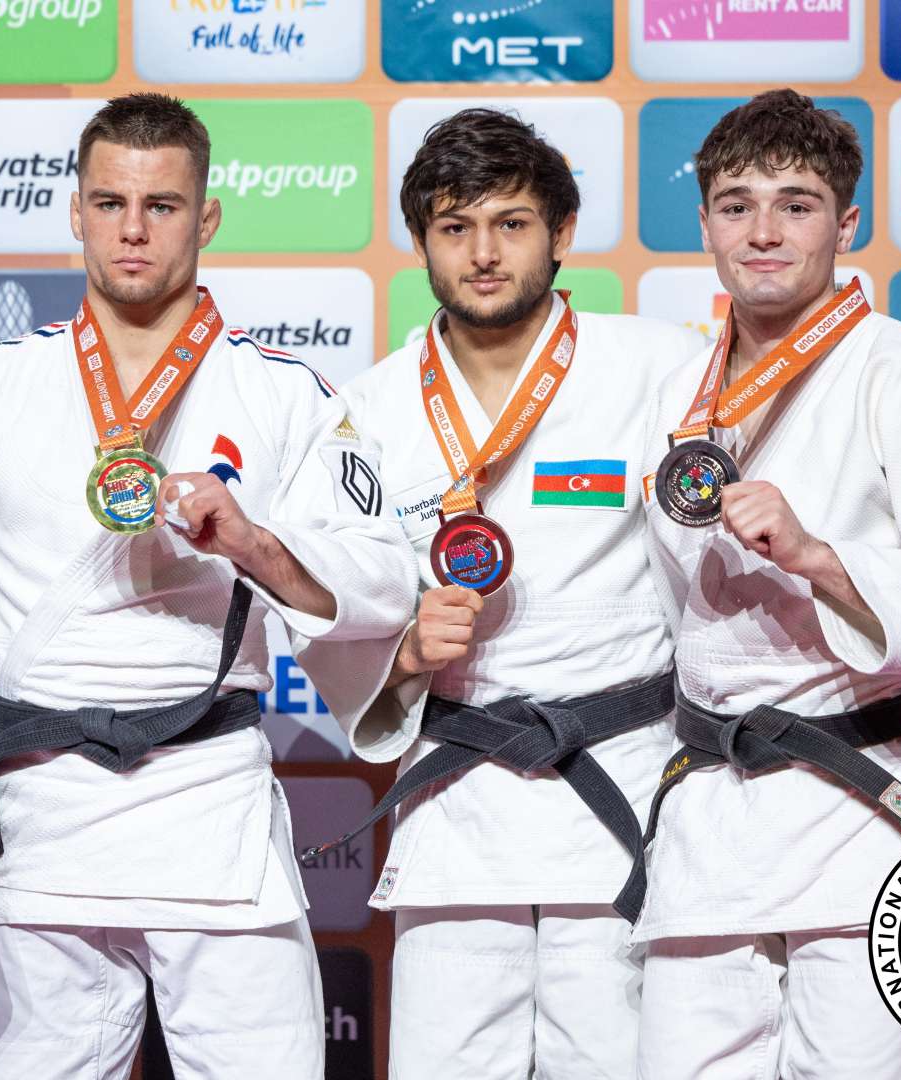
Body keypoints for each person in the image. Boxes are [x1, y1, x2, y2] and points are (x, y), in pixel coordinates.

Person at [0, 93, 416, 1080]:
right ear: (75, 212)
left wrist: (252, 542)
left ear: (207, 217)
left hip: (209, 802)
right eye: (109, 203)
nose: (133, 229)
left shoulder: (283, 393)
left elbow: (381, 576)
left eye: (161, 205)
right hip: (36, 809)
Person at [633, 89, 901, 1079]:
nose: (762, 231)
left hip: (859, 814)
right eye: (736, 204)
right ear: (703, 222)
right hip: (709, 820)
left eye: (796, 203)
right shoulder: (678, 391)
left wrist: (822, 558)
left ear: (847, 222)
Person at [324, 108, 703, 1079]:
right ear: (421, 245)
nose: (483, 253)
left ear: (561, 233)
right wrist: (404, 652)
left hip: (619, 783)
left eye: (511, 223)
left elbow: (714, 572)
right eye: (455, 228)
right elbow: (338, 598)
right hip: (462, 801)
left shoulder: (660, 370)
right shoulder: (367, 408)